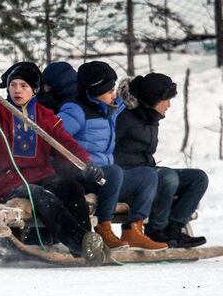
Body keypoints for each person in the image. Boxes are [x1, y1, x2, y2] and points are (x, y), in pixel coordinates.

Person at [0, 62, 106, 265]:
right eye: (13, 85)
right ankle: (80, 243)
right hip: (5, 180)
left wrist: (86, 164)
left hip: (41, 175)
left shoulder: (45, 116)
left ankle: (89, 241)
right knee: (38, 195)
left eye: (23, 86)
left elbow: (65, 144)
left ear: (34, 90)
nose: (17, 90)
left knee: (70, 187)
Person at [45, 60, 166, 251]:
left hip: (106, 177)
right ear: (95, 91)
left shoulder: (107, 109)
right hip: (83, 175)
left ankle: (133, 230)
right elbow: (54, 139)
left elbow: (132, 103)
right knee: (115, 172)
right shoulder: (75, 109)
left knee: (148, 176)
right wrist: (79, 165)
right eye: (109, 91)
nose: (114, 94)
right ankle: (104, 228)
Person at [115, 73, 208, 248]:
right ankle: (156, 231)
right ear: (153, 99)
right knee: (168, 177)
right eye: (166, 99)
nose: (169, 105)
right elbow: (106, 149)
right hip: (128, 178)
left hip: (148, 172)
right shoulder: (124, 117)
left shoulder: (150, 116)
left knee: (198, 178)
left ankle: (174, 228)